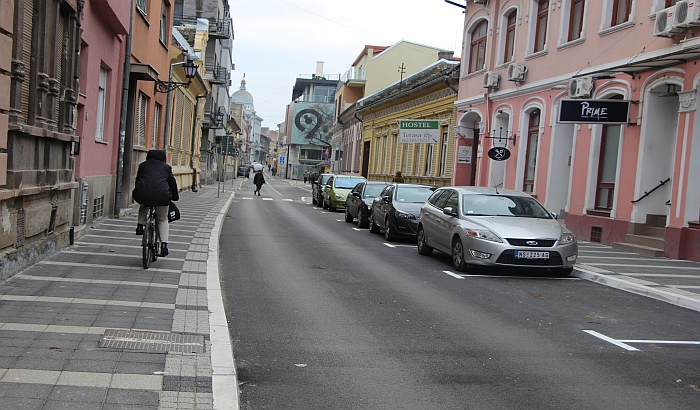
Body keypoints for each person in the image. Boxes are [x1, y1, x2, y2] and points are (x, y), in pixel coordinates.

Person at [133, 149, 179, 257]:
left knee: (144, 204)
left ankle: (140, 226)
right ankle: (164, 245)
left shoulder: (143, 166)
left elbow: (138, 180)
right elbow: (172, 183)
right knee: (162, 219)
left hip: (142, 194)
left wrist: (137, 192)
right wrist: (175, 197)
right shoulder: (166, 167)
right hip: (162, 196)